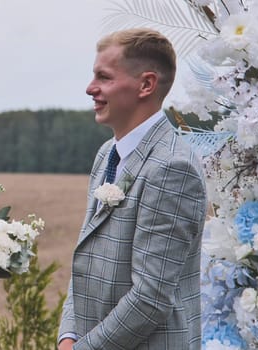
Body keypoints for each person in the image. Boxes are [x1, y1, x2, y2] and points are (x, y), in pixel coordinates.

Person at [57, 28, 207, 350]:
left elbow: (150, 298)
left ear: (146, 85)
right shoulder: (106, 154)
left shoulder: (172, 167)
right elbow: (86, 259)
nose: (90, 88)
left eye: (104, 77)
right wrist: (68, 335)